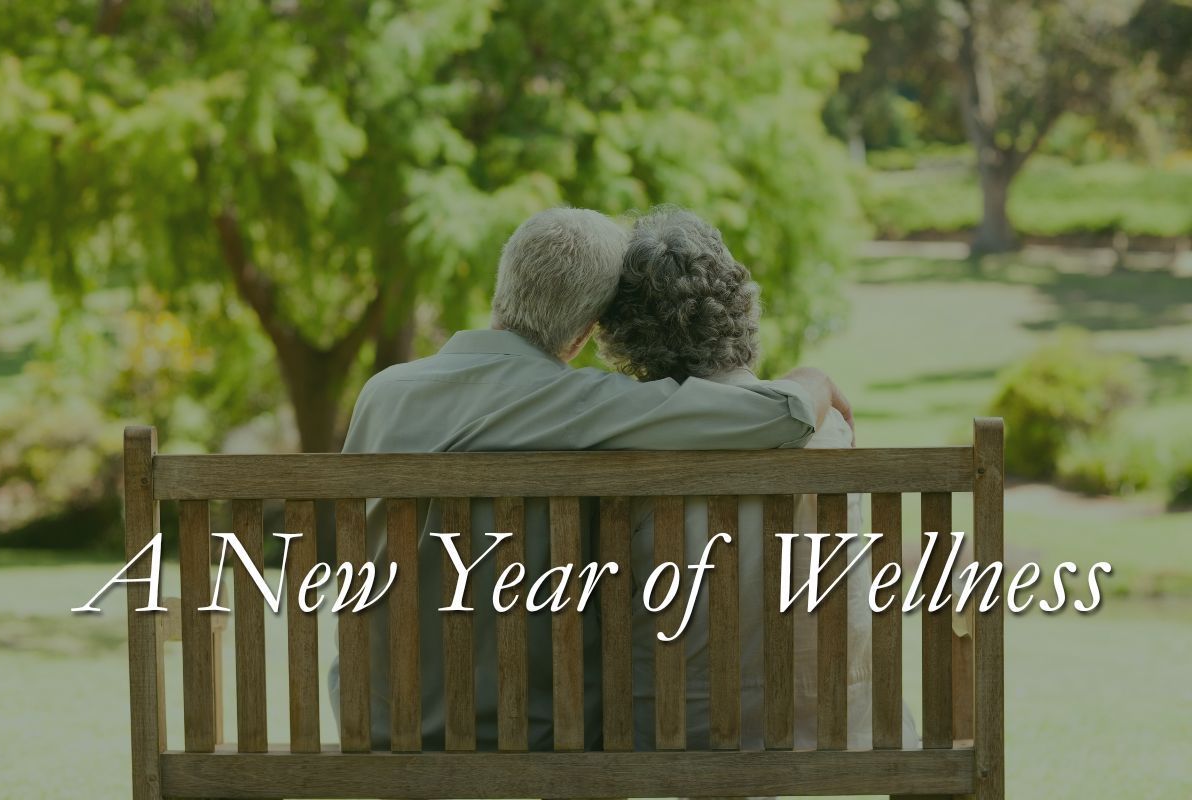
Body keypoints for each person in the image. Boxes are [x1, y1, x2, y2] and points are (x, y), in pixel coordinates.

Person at [332, 206, 854, 751]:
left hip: (375, 731)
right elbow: (779, 416)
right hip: (526, 738)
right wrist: (812, 380)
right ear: (583, 335)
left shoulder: (382, 393)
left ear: (503, 286)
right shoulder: (573, 405)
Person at [596, 206, 920, 751]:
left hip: (666, 725)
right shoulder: (827, 426)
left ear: (626, 336)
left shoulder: (624, 439)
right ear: (740, 307)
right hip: (831, 719)